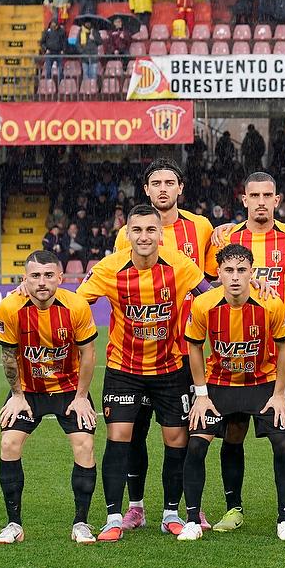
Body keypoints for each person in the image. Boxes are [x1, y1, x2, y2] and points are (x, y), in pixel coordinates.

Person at [73, 204, 216, 542]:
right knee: (119, 436)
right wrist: (33, 291)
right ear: (127, 234)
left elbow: (213, 298)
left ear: (160, 233)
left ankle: (171, 514)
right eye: (137, 230)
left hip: (169, 367)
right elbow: (76, 304)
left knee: (176, 439)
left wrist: (254, 290)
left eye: (150, 230)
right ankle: (113, 517)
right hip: (124, 368)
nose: (144, 237)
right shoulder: (109, 268)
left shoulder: (180, 265)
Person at [205, 172, 285, 533]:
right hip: (236, 356)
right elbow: (207, 283)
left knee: (284, 435)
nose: (261, 202)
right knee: (234, 432)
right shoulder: (228, 238)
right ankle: (233, 508)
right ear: (244, 200)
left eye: (267, 195)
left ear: (277, 200)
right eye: (254, 195)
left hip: (281, 355)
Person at [112, 159, 214, 533]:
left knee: (182, 434)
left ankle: (187, 508)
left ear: (180, 188)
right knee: (133, 432)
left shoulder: (201, 227)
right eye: (156, 183)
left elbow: (211, 281)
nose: (163, 189)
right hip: (138, 351)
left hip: (184, 349)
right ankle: (136, 507)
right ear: (146, 190)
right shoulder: (126, 234)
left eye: (170, 183)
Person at [180, 244, 285, 541]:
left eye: (242, 270)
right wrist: (201, 395)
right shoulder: (203, 304)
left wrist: (280, 394)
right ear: (219, 273)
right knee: (196, 444)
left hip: (262, 382)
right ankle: (196, 519)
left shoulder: (270, 303)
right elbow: (194, 346)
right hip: (219, 384)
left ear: (251, 272)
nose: (235, 277)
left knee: (284, 442)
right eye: (229, 270)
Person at [0, 251, 99, 544]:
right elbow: (8, 355)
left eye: (49, 275)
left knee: (84, 445)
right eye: (36, 275)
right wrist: (17, 396)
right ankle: (13, 524)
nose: (42, 282)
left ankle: (81, 523)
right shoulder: (10, 307)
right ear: (25, 278)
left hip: (69, 389)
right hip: (28, 390)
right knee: (9, 443)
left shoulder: (76, 306)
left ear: (60, 278)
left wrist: (81, 397)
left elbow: (88, 354)